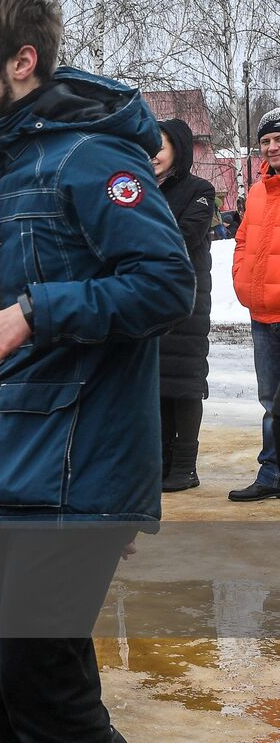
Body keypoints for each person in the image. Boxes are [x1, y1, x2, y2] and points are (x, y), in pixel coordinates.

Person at [0, 0, 192, 742]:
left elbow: (163, 284)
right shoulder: (14, 163)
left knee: (47, 689)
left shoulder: (89, 156)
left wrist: (34, 312)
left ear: (22, 61)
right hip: (13, 461)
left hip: (78, 470)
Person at [153, 118, 215, 494]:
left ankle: (185, 466)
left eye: (158, 146)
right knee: (157, 384)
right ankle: (160, 461)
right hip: (147, 300)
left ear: (178, 147)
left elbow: (183, 236)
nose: (152, 154)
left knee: (185, 383)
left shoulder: (200, 190)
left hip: (186, 301)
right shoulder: (139, 189)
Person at [230, 106, 280, 502]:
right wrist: (241, 281)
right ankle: (271, 474)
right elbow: (243, 240)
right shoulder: (258, 192)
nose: (271, 147)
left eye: (278, 139)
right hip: (262, 313)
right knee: (270, 400)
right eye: (265, 141)